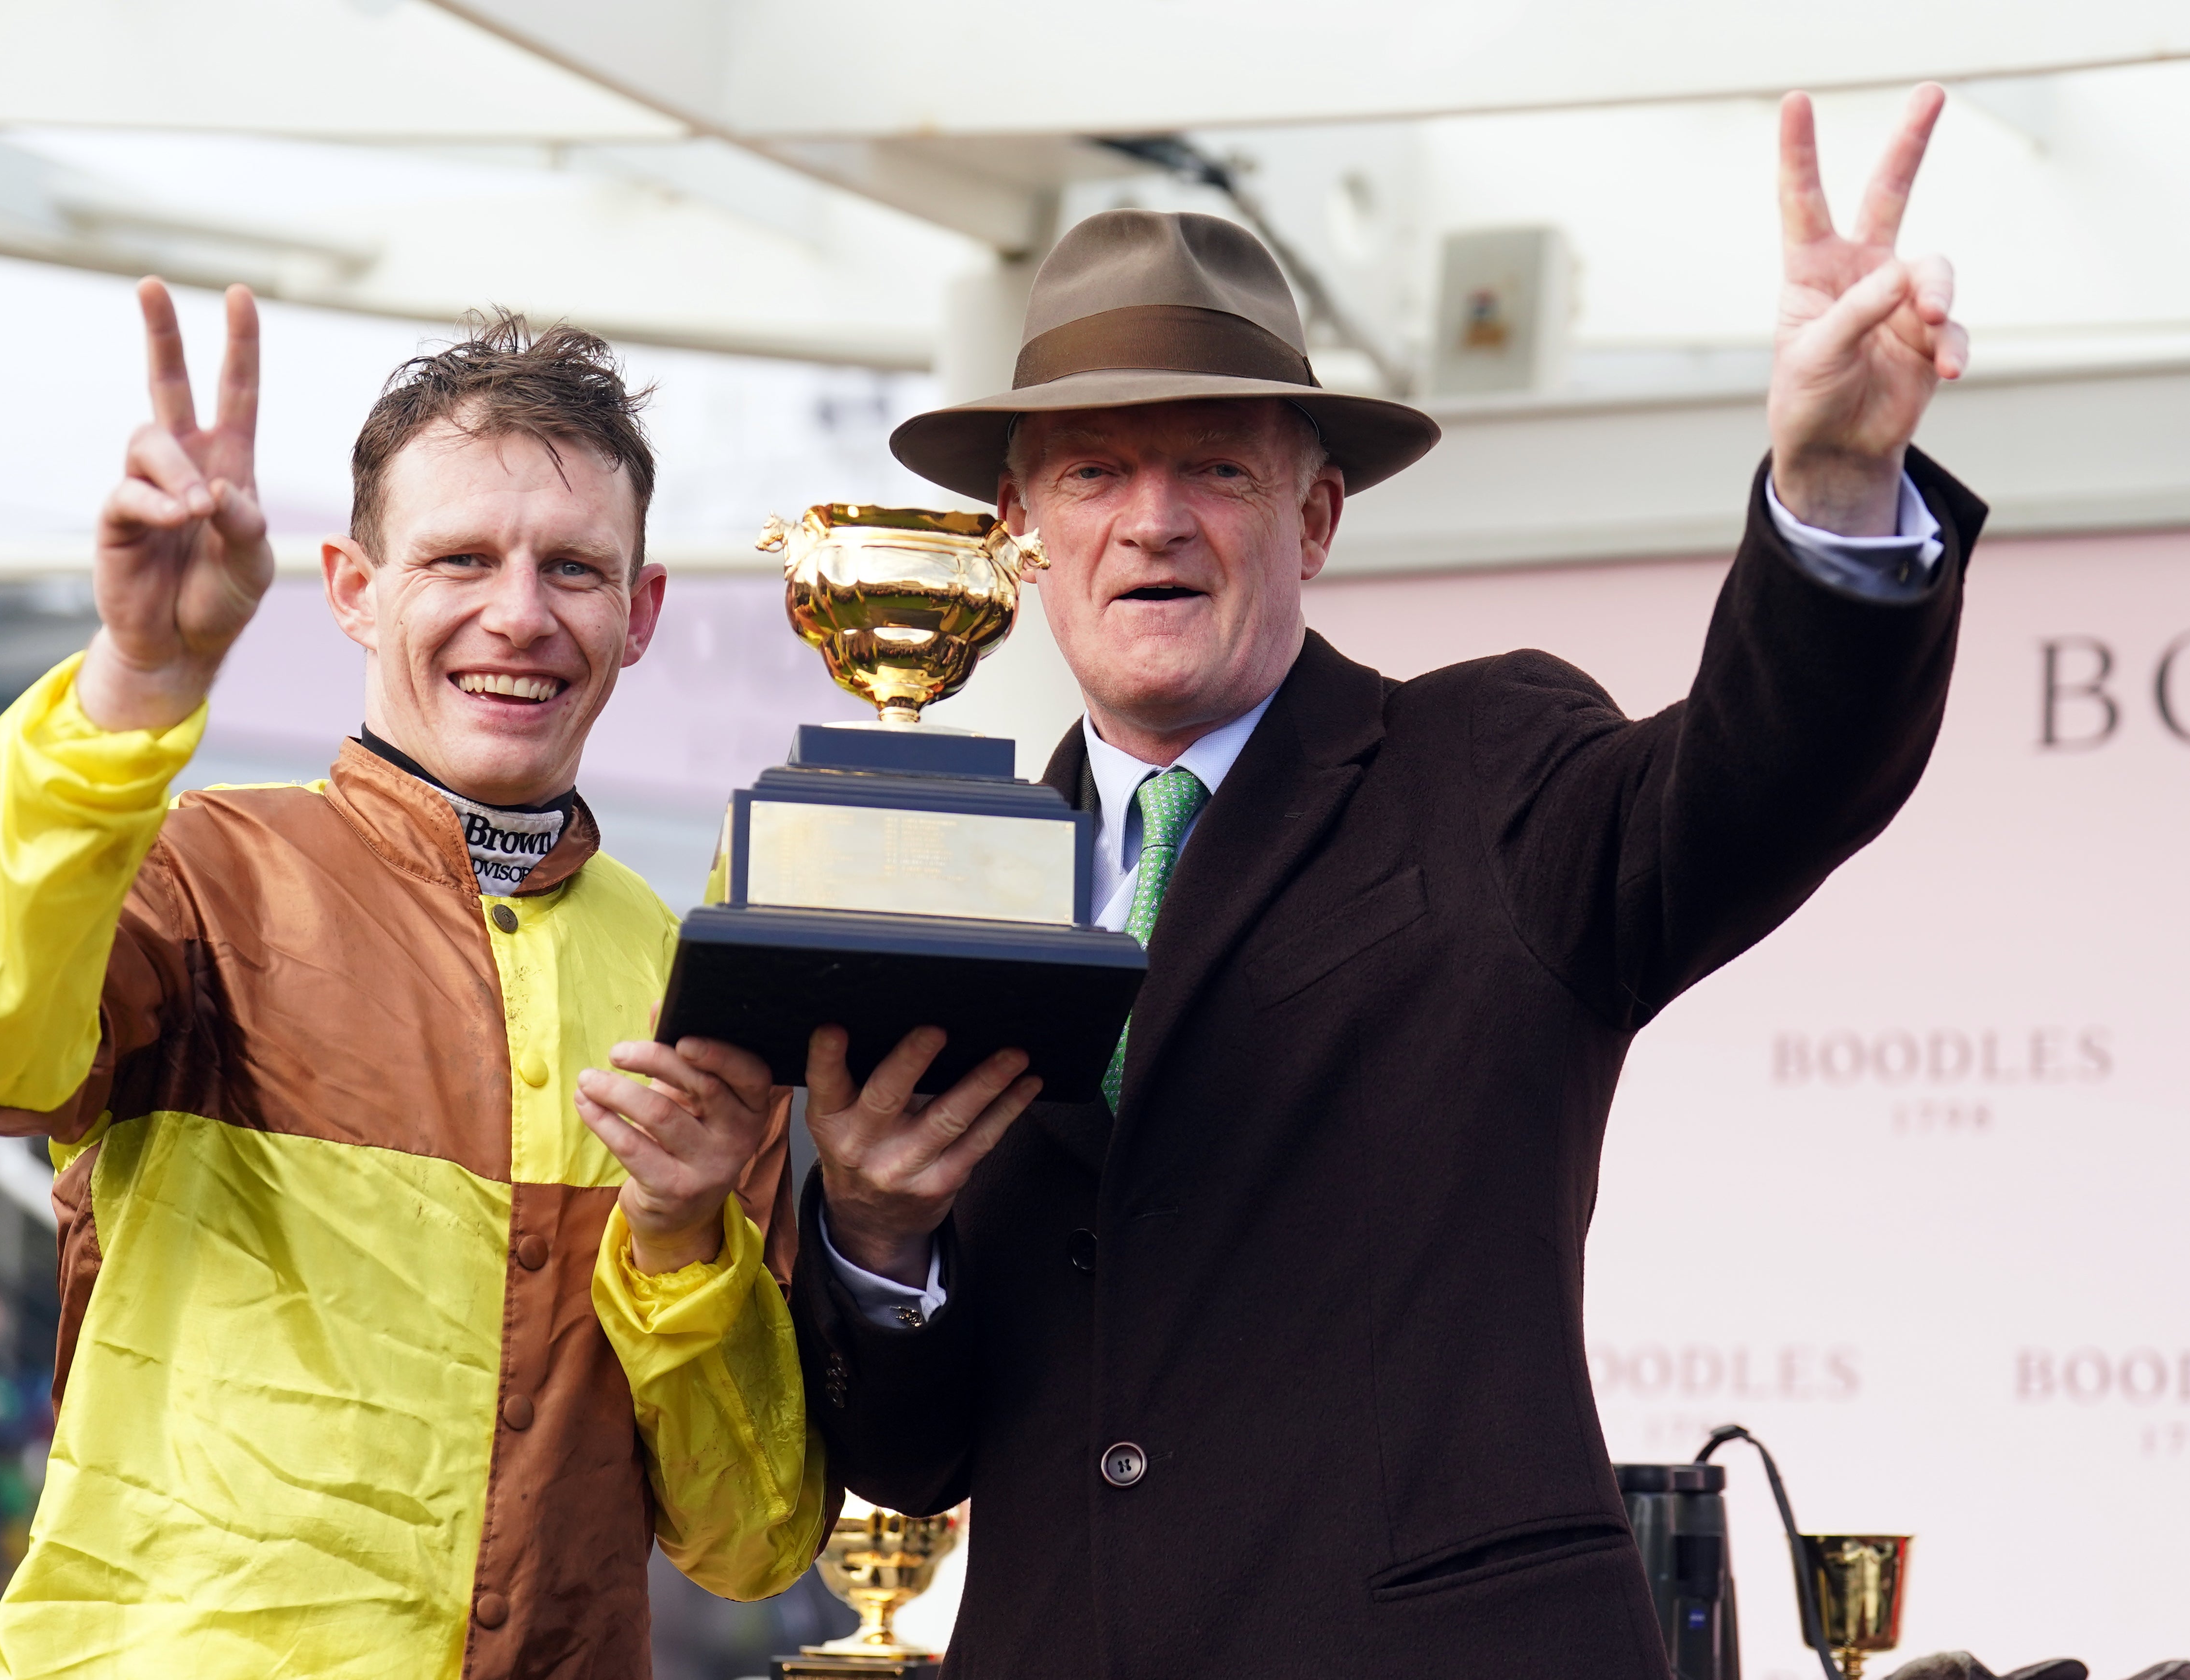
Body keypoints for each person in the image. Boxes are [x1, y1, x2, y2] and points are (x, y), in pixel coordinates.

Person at [787, 87, 1982, 1677]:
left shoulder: (1480, 766)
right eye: (1089, 475)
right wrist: (871, 1233)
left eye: (1213, 467)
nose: (1153, 521)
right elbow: (912, 1461)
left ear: (1317, 515)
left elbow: (1760, 788)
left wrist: (1829, 489)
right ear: (1016, 533)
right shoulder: (949, 887)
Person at [0, 293, 828, 1678]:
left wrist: (676, 1236)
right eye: (460, 558)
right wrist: (135, 676)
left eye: (575, 571)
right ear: (353, 589)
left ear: (642, 612)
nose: (518, 615)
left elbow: (751, 1540)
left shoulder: (692, 979)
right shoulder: (200, 876)